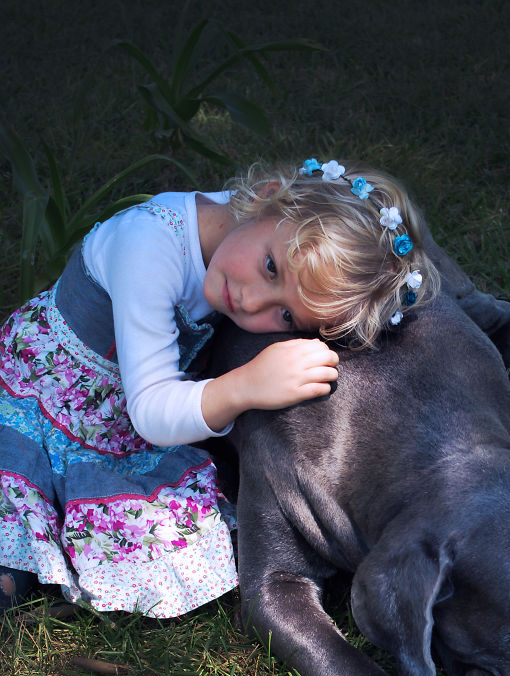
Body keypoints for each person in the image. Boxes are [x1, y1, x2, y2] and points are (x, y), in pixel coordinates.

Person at [0, 158, 440, 617]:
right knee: (18, 497)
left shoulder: (256, 227)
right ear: (268, 196)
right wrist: (246, 385)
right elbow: (150, 412)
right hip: (45, 399)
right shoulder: (147, 247)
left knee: (177, 526)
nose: (251, 301)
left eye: (286, 315)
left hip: (117, 418)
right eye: (271, 267)